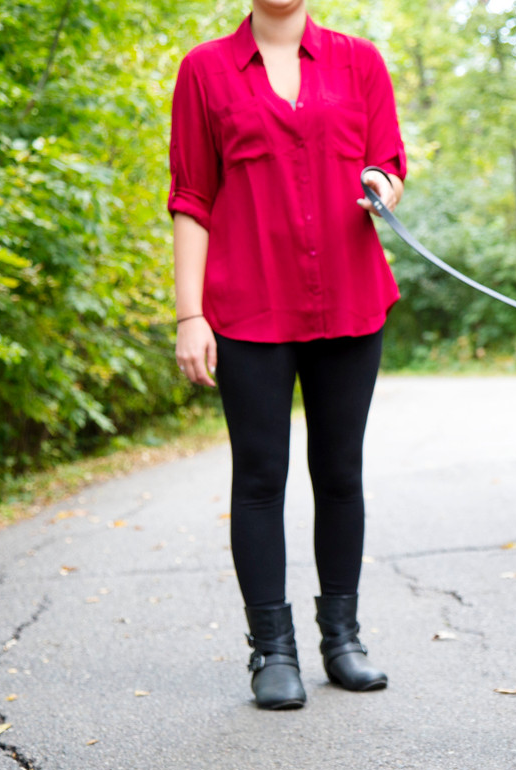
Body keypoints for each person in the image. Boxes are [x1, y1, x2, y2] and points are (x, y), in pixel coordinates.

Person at [168, 0, 405, 710]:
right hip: (248, 305)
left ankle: (343, 638)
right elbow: (191, 197)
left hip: (348, 300)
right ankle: (272, 648)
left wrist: (381, 187)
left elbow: (388, 162)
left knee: (339, 473)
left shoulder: (359, 62)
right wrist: (189, 313)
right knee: (261, 475)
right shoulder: (203, 70)